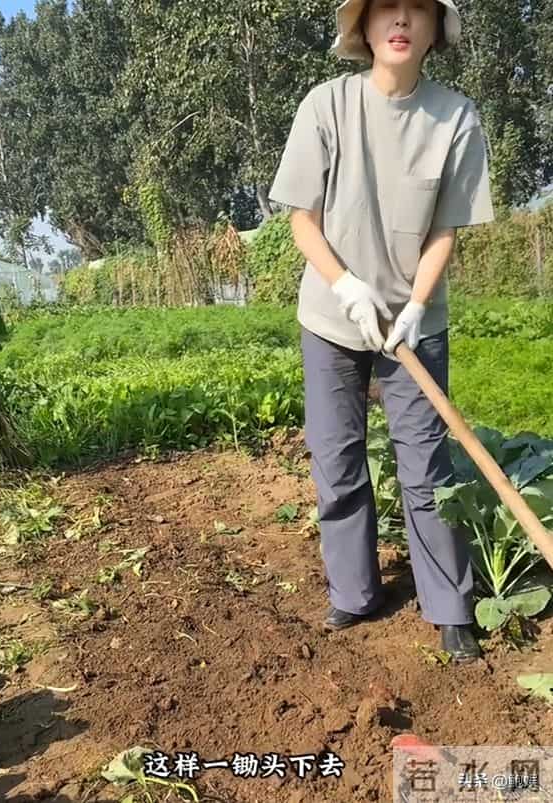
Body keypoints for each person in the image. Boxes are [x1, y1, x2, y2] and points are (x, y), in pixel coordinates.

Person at [268, 0, 495, 663]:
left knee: (425, 464)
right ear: (363, 27)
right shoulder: (326, 107)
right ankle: (354, 590)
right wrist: (346, 286)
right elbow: (302, 220)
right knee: (337, 457)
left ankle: (450, 606)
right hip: (332, 317)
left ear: (435, 29)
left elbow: (445, 227)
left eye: (416, 8)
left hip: (414, 320)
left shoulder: (455, 116)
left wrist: (416, 306)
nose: (400, 19)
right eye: (385, 7)